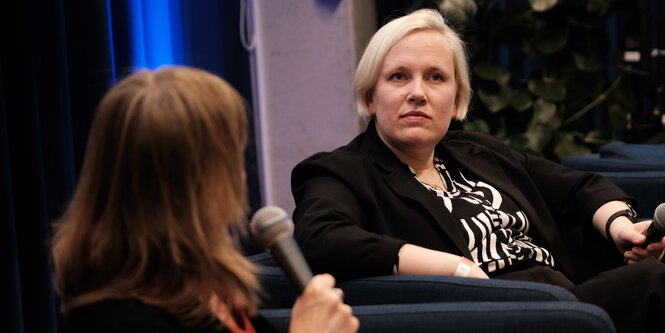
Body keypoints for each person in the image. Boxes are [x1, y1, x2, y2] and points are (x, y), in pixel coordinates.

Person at [291, 8, 665, 333]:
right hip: (497, 313)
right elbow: (324, 238)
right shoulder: (339, 171)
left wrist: (622, 228)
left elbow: (578, 186)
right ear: (371, 96)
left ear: (456, 100)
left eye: (435, 77)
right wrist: (456, 269)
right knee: (653, 280)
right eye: (399, 76)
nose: (418, 92)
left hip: (566, 298)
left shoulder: (477, 151)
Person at [51, 66, 359, 333]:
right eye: (231, 160)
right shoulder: (113, 321)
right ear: (192, 182)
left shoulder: (210, 286)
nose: (240, 176)